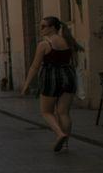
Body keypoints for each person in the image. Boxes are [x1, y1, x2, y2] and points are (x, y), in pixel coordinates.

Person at [21, 15, 81, 151]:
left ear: (52, 28)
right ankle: (65, 144)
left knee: (46, 112)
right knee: (64, 112)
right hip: (68, 76)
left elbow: (34, 66)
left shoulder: (44, 44)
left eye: (43, 26)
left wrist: (26, 84)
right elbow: (74, 61)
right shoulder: (68, 41)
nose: (40, 29)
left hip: (51, 77)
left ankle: (60, 134)